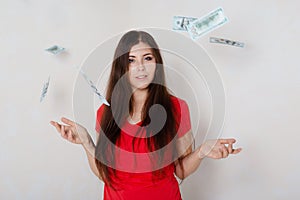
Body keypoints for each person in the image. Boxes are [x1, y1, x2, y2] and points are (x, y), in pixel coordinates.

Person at [50, 30, 242, 200]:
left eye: (148, 58)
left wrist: (201, 151)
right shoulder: (105, 112)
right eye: (131, 60)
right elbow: (104, 174)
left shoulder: (177, 108)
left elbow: (180, 171)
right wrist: (86, 142)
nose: (140, 67)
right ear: (122, 67)